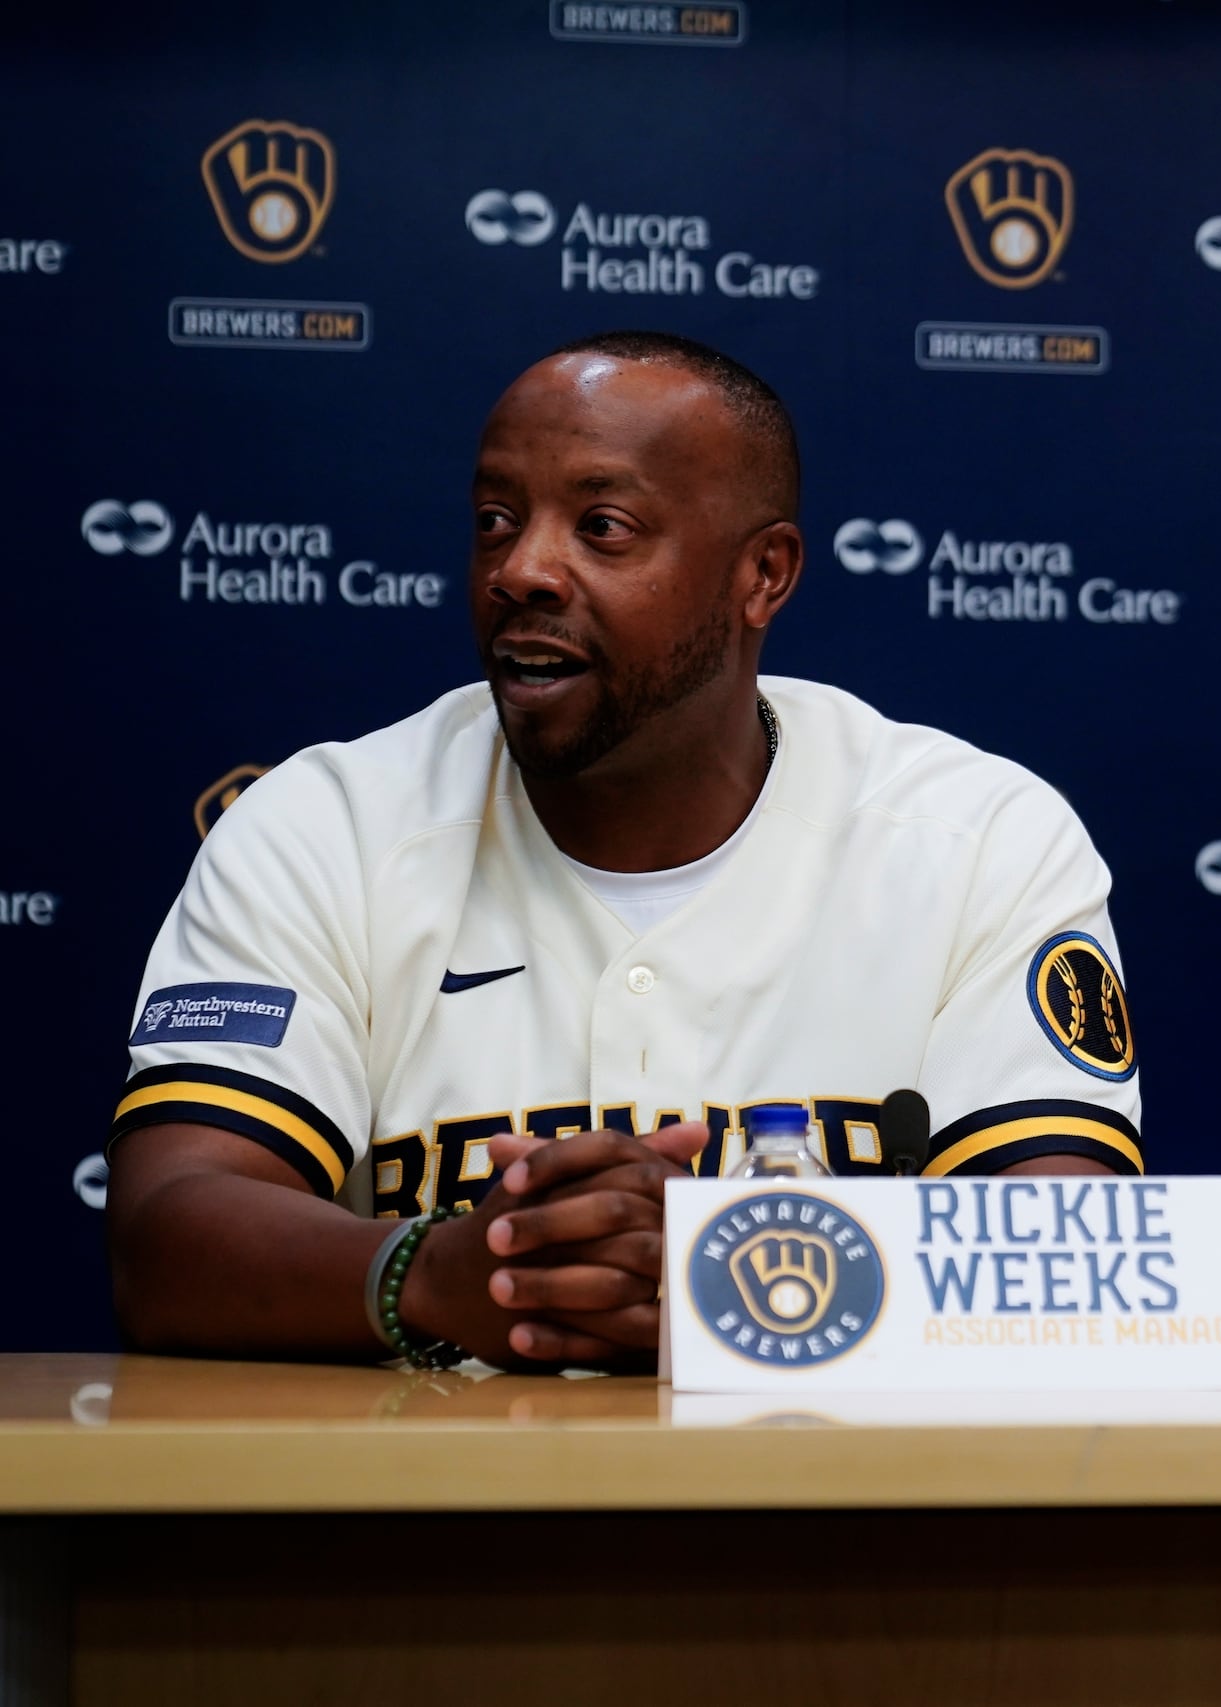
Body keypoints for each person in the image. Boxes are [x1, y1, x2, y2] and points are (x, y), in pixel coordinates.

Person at [108, 331, 1141, 1370]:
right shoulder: (323, 826)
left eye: (602, 527)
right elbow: (166, 1228)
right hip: (425, 1516)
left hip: (838, 1515)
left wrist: (721, 1261)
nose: (521, 571)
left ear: (763, 575)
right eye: (494, 522)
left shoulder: (976, 838)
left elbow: (1067, 1256)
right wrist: (439, 1271)